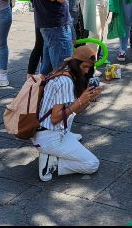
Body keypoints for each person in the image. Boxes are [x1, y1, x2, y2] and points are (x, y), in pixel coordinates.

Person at [32, 45, 103, 182]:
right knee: (92, 164)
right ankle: (52, 163)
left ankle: (55, 148)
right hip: (49, 136)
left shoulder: (65, 71)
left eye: (89, 68)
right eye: (84, 67)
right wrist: (80, 101)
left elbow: (75, 110)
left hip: (46, 130)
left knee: (74, 117)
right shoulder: (66, 82)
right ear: (76, 64)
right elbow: (55, 118)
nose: (87, 71)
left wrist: (87, 100)